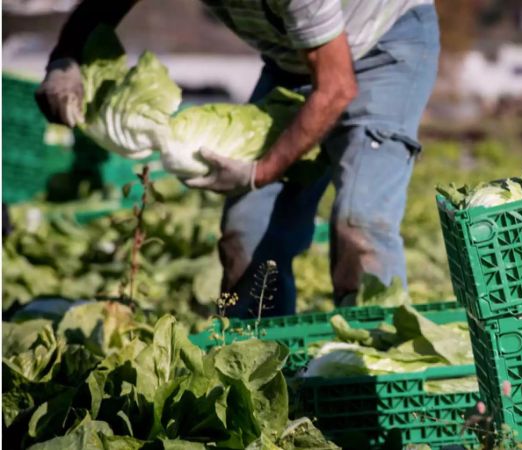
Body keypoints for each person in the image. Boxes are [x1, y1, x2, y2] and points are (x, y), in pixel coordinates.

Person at [35, 0, 441, 318]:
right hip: (295, 62)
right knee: (247, 227)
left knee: (360, 222)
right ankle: (258, 370)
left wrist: (259, 171)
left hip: (386, 47)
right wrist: (65, 60)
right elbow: (102, 7)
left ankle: (374, 372)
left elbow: (334, 88)